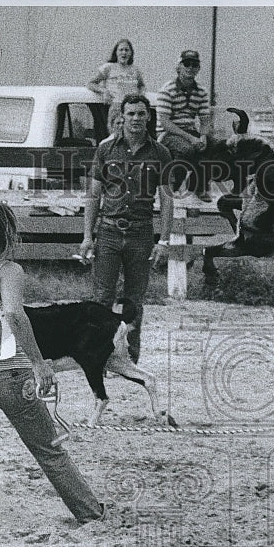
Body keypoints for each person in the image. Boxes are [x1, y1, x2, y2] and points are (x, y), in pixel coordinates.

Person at [0, 201, 105, 527]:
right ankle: (90, 513)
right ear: (4, 236)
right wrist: (41, 365)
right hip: (17, 380)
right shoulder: (9, 272)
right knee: (48, 449)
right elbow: (14, 314)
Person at [80, 93, 174, 364]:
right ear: (121, 117)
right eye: (130, 113)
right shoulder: (106, 149)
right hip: (108, 232)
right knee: (102, 298)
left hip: (140, 233)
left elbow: (167, 199)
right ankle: (100, 354)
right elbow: (94, 195)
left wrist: (164, 241)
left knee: (133, 301)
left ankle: (129, 358)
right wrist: (88, 236)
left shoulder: (160, 153)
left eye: (141, 114)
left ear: (148, 117)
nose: (135, 119)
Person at [156, 49, 212, 202]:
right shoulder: (167, 89)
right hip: (166, 133)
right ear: (179, 66)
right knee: (186, 149)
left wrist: (203, 137)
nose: (190, 68)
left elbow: (205, 119)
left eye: (194, 65)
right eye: (186, 63)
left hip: (190, 131)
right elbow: (165, 122)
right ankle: (172, 185)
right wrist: (192, 139)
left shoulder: (201, 91)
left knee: (213, 147)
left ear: (198, 68)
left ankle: (197, 186)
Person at [87, 38, 146, 133]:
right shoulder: (108, 68)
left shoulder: (135, 70)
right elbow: (91, 83)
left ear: (131, 53)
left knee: (133, 135)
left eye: (127, 50)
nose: (124, 53)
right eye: (121, 50)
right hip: (116, 107)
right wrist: (104, 91)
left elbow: (141, 86)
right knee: (117, 136)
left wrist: (140, 98)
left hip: (132, 108)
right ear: (116, 52)